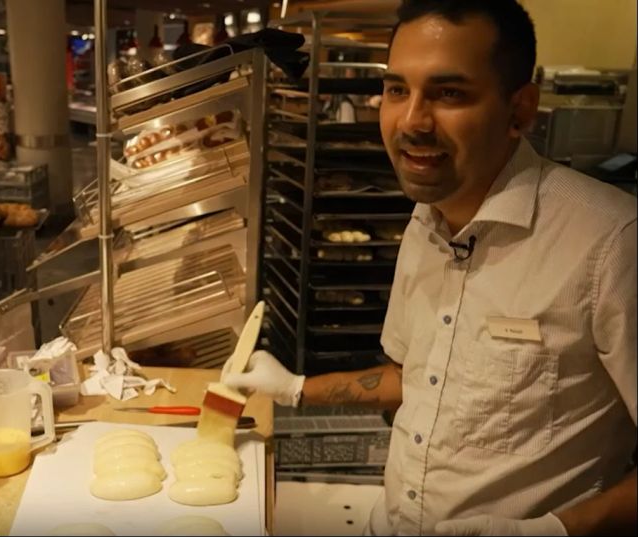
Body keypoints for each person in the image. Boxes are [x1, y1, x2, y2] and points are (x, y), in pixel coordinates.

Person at [223, 0, 636, 535]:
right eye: (398, 89)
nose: (413, 121)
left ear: (520, 110)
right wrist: (297, 388)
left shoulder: (610, 243)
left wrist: (555, 530)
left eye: (449, 93)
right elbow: (416, 377)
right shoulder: (425, 222)